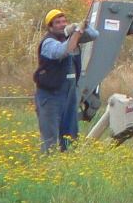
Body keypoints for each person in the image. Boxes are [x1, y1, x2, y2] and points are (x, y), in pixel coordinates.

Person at [33, 9, 98, 153]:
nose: (62, 25)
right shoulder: (48, 43)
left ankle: (68, 162)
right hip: (50, 94)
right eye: (58, 23)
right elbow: (64, 51)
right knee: (50, 135)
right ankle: (48, 165)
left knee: (70, 133)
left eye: (64, 21)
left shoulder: (70, 36)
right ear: (51, 27)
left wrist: (80, 27)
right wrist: (76, 34)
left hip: (69, 92)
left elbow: (95, 35)